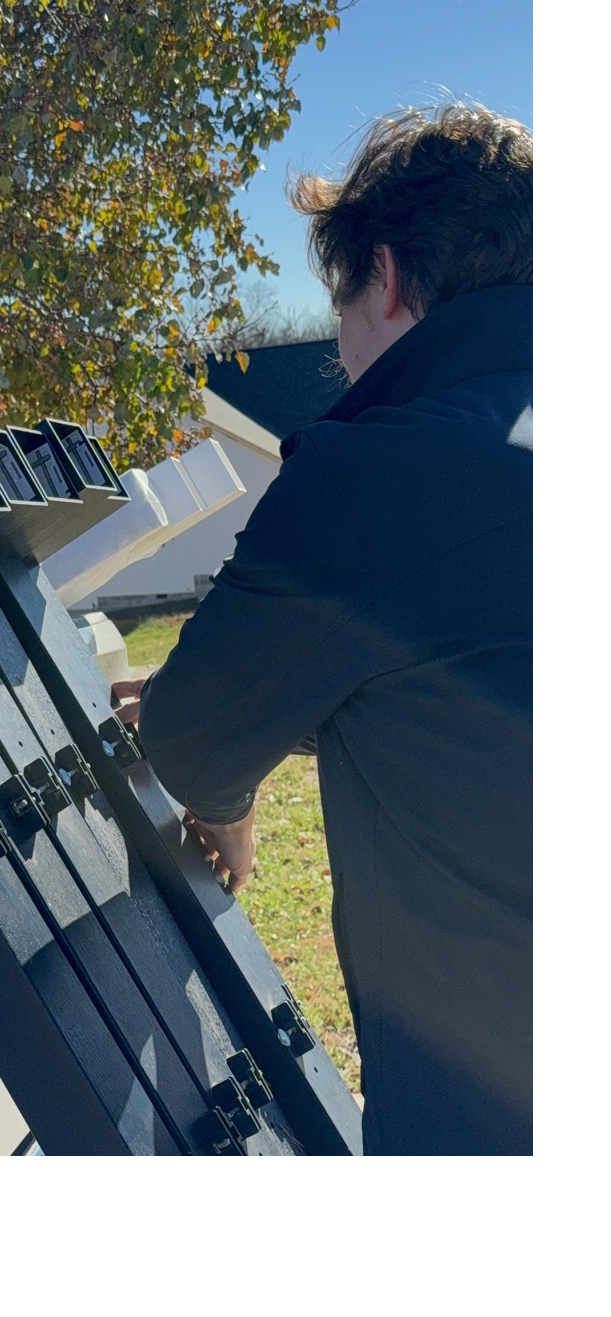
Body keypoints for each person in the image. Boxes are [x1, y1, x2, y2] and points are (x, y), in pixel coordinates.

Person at [115, 103, 532, 1159]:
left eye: (338, 300)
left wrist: (230, 801)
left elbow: (190, 738)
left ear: (385, 279)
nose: (342, 346)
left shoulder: (386, 468)